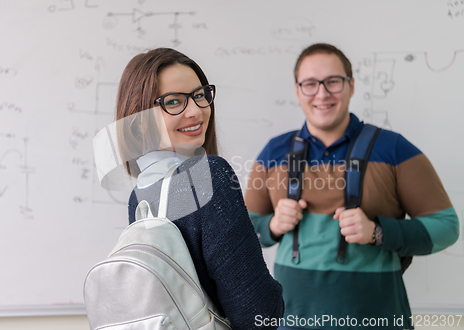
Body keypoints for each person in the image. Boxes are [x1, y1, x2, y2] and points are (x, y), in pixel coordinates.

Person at [245, 43, 460, 330]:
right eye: (310, 84)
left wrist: (378, 232)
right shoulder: (274, 152)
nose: (322, 93)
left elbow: (447, 227)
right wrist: (272, 225)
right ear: (298, 91)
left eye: (333, 81)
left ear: (351, 85)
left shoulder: (394, 149)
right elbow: (242, 233)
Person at [114, 47, 284, 329]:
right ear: (139, 122)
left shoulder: (138, 197)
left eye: (199, 95)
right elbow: (258, 314)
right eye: (173, 102)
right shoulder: (209, 176)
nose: (196, 110)